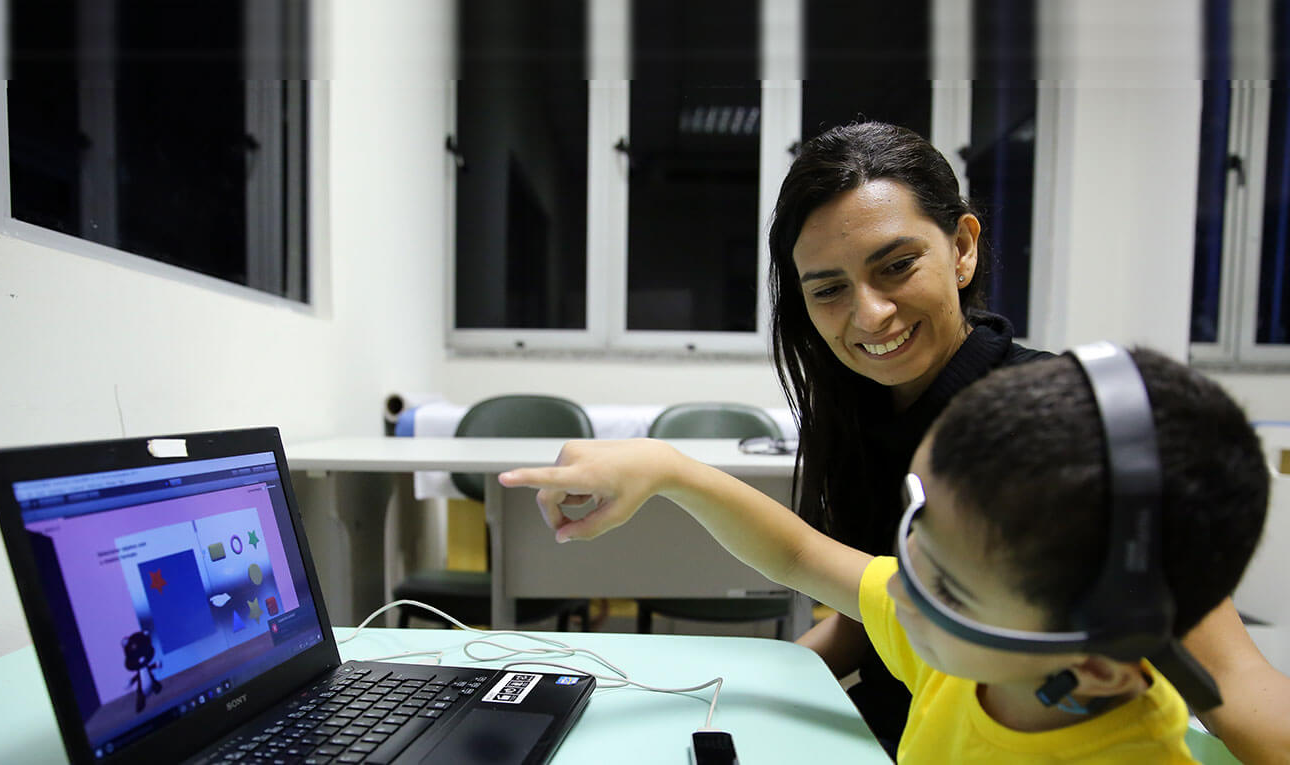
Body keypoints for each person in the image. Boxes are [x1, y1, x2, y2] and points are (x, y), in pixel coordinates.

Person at [516, 122, 1290, 762]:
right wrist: (755, 691)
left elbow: (1233, 679)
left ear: (962, 247)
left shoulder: (1050, 435)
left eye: (896, 265)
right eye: (828, 288)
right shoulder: (863, 410)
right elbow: (866, 591)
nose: (871, 314)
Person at [499, 347, 1267, 762]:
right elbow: (799, 551)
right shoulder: (963, 653)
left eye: (947, 584)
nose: (902, 588)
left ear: (1093, 665)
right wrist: (667, 469)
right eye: (916, 529)